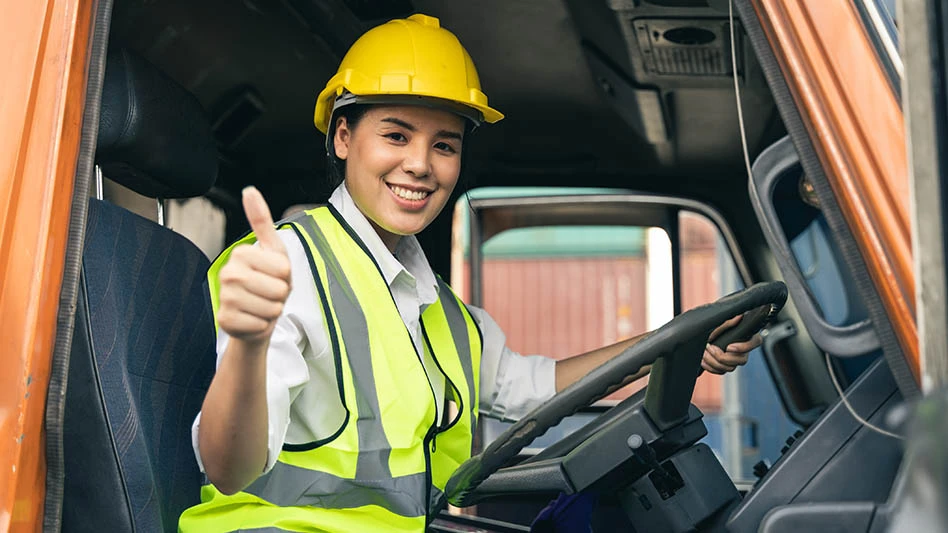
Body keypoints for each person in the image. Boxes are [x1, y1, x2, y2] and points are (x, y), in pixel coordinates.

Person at [177, 13, 760, 532]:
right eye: (396, 135)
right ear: (343, 136)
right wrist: (252, 345)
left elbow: (538, 389)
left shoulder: (444, 313)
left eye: (445, 145)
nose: (420, 165)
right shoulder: (288, 268)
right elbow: (229, 469)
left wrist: (673, 341)